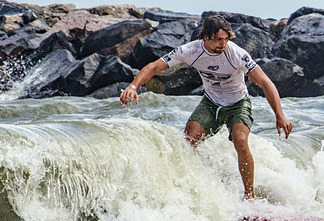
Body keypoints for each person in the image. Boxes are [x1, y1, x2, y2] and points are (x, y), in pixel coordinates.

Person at [120, 15, 293, 200]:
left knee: (240, 141)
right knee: (189, 140)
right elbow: (154, 67)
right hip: (211, 102)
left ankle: (249, 197)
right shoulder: (190, 50)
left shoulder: (237, 54)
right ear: (206, 37)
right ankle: (196, 185)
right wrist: (133, 86)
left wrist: (279, 115)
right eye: (219, 39)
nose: (223, 44)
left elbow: (265, 83)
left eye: (227, 39)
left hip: (238, 103)